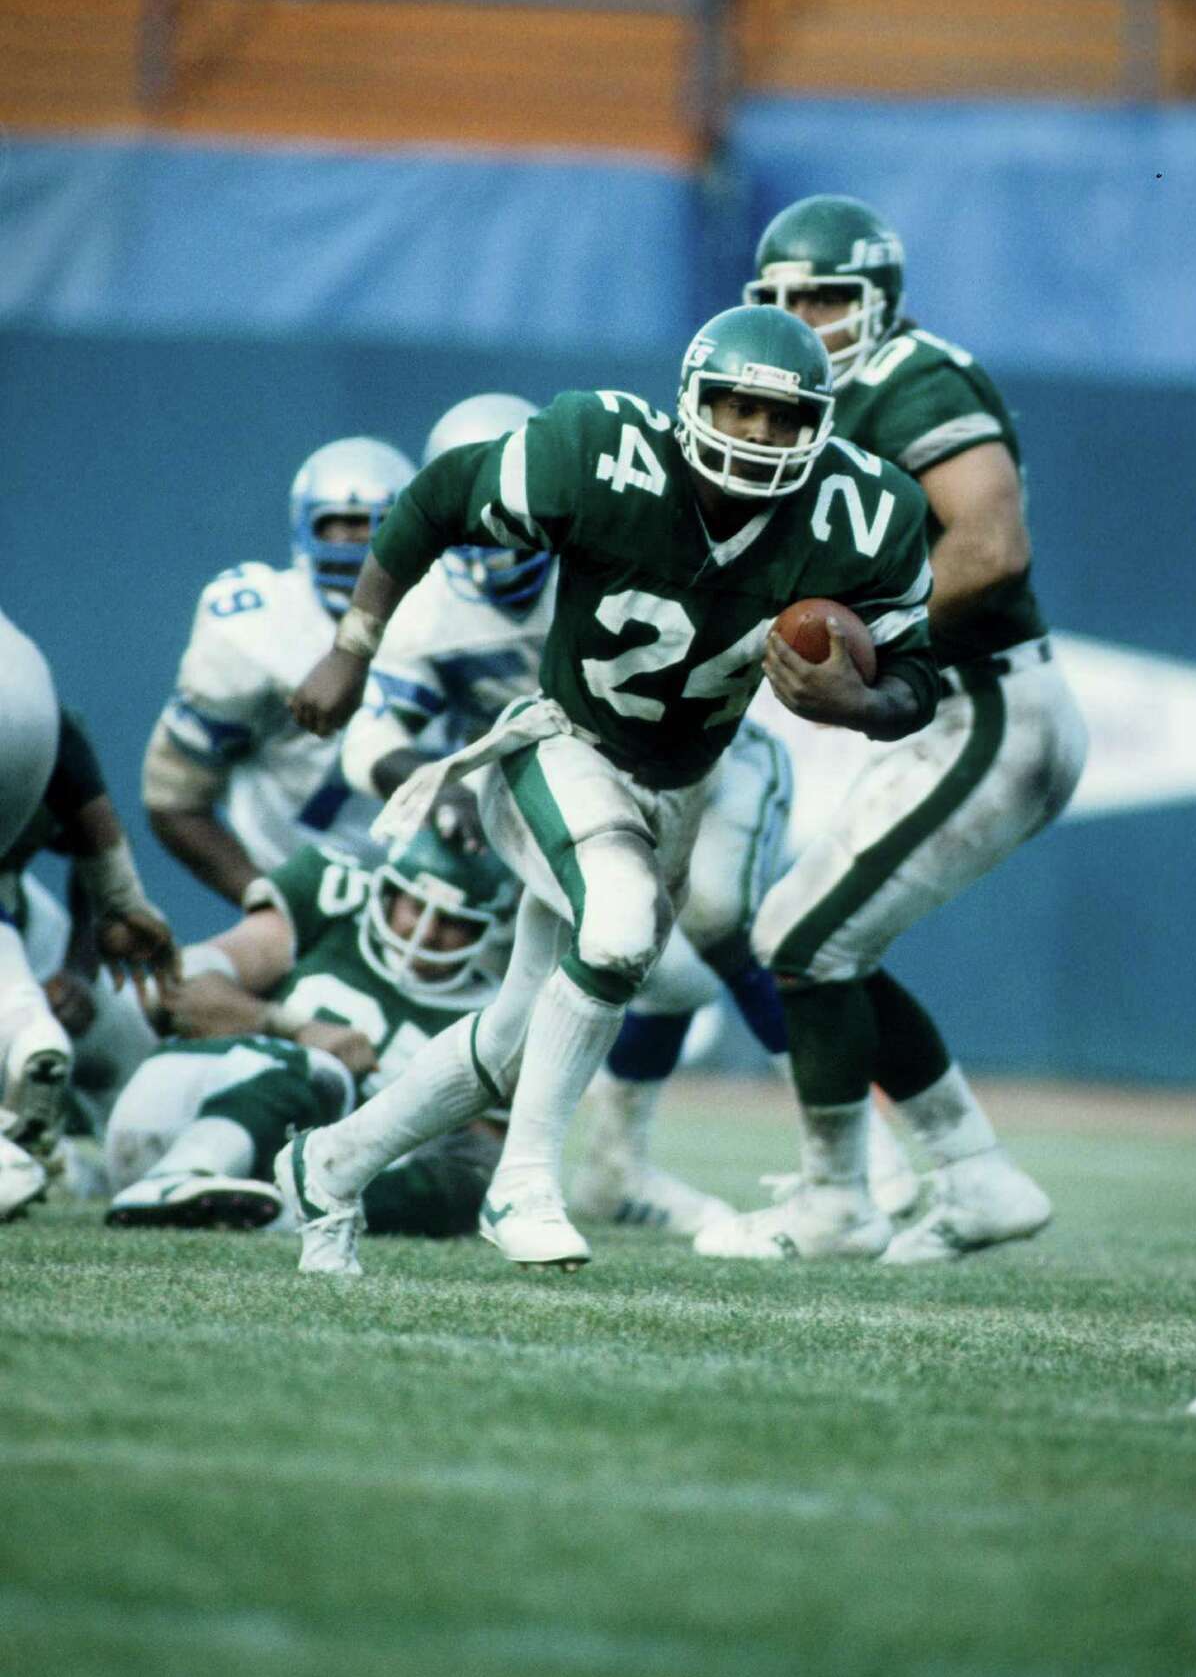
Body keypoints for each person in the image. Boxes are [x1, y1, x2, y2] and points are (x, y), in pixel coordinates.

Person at [277, 303, 940, 1276]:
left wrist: (861, 702)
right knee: (621, 929)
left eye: (784, 418)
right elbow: (437, 497)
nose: (757, 435)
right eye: (736, 408)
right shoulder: (600, 450)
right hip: (564, 744)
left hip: (684, 784)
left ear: (822, 425)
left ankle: (329, 1167)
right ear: (691, 399)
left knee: (515, 1037)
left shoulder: (863, 515)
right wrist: (352, 644)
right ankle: (525, 1181)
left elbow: (918, 675)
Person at [691, 194, 1088, 1265]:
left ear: (881, 300)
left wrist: (875, 631)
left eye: (825, 297)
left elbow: (993, 545)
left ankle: (838, 1201)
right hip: (947, 705)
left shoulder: (913, 379)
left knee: (805, 941)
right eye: (780, 301)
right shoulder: (797, 400)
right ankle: (974, 1176)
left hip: (991, 703)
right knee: (820, 940)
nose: (804, 319)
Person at [342, 391, 801, 1238]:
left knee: (696, 952)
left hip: (688, 771)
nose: (507, 528)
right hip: (537, 790)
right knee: (591, 966)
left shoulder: (610, 531)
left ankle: (615, 1160)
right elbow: (367, 741)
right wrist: (438, 784)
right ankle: (458, 1169)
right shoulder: (434, 612)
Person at [104, 831, 514, 1237]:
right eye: (417, 906)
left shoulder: (497, 1018)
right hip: (177, 1110)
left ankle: (278, 1216)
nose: (426, 933)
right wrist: (295, 1028)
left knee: (442, 1180)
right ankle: (181, 1173)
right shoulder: (333, 908)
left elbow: (478, 1161)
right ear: (387, 892)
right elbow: (174, 992)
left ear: (484, 931)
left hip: (272, 1173)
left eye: (453, 921)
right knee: (320, 1071)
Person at [142, 436, 416, 908]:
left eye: (378, 527)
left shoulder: (447, 619)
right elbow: (174, 799)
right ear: (302, 527)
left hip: (450, 902)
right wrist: (271, 902)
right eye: (337, 525)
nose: (355, 545)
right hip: (305, 890)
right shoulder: (256, 627)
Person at [0, 618, 178, 1220]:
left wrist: (78, 969)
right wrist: (123, 897)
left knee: (124, 1037)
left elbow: (84, 823)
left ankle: (131, 1172)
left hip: (23, 913)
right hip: (14, 905)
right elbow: (72, 763)